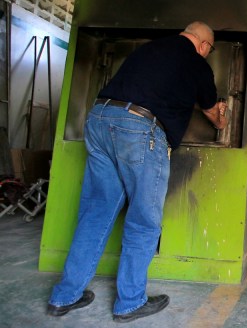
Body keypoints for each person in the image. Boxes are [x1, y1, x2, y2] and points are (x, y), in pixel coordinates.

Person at [47, 21, 228, 323]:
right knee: (144, 220)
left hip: (100, 118)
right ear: (204, 46)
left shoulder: (150, 48)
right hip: (140, 129)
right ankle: (130, 302)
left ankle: (64, 296)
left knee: (96, 213)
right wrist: (222, 117)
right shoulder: (196, 63)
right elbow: (213, 114)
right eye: (208, 50)